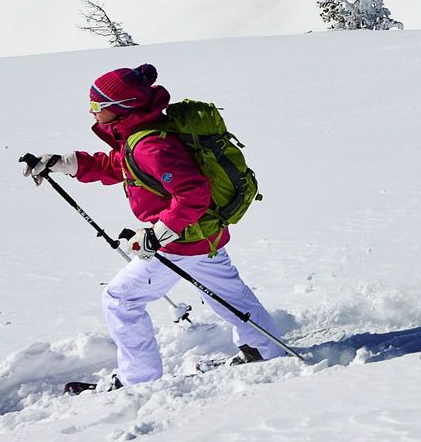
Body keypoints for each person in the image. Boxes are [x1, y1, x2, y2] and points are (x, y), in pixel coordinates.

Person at [25, 63, 287, 389]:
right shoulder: (143, 134)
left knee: (120, 300)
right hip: (205, 236)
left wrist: (158, 233)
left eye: (97, 107)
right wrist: (65, 163)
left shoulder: (150, 145)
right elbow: (119, 165)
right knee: (231, 296)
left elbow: (193, 193)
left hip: (179, 243)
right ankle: (265, 350)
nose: (91, 112)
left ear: (121, 109)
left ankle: (139, 380)